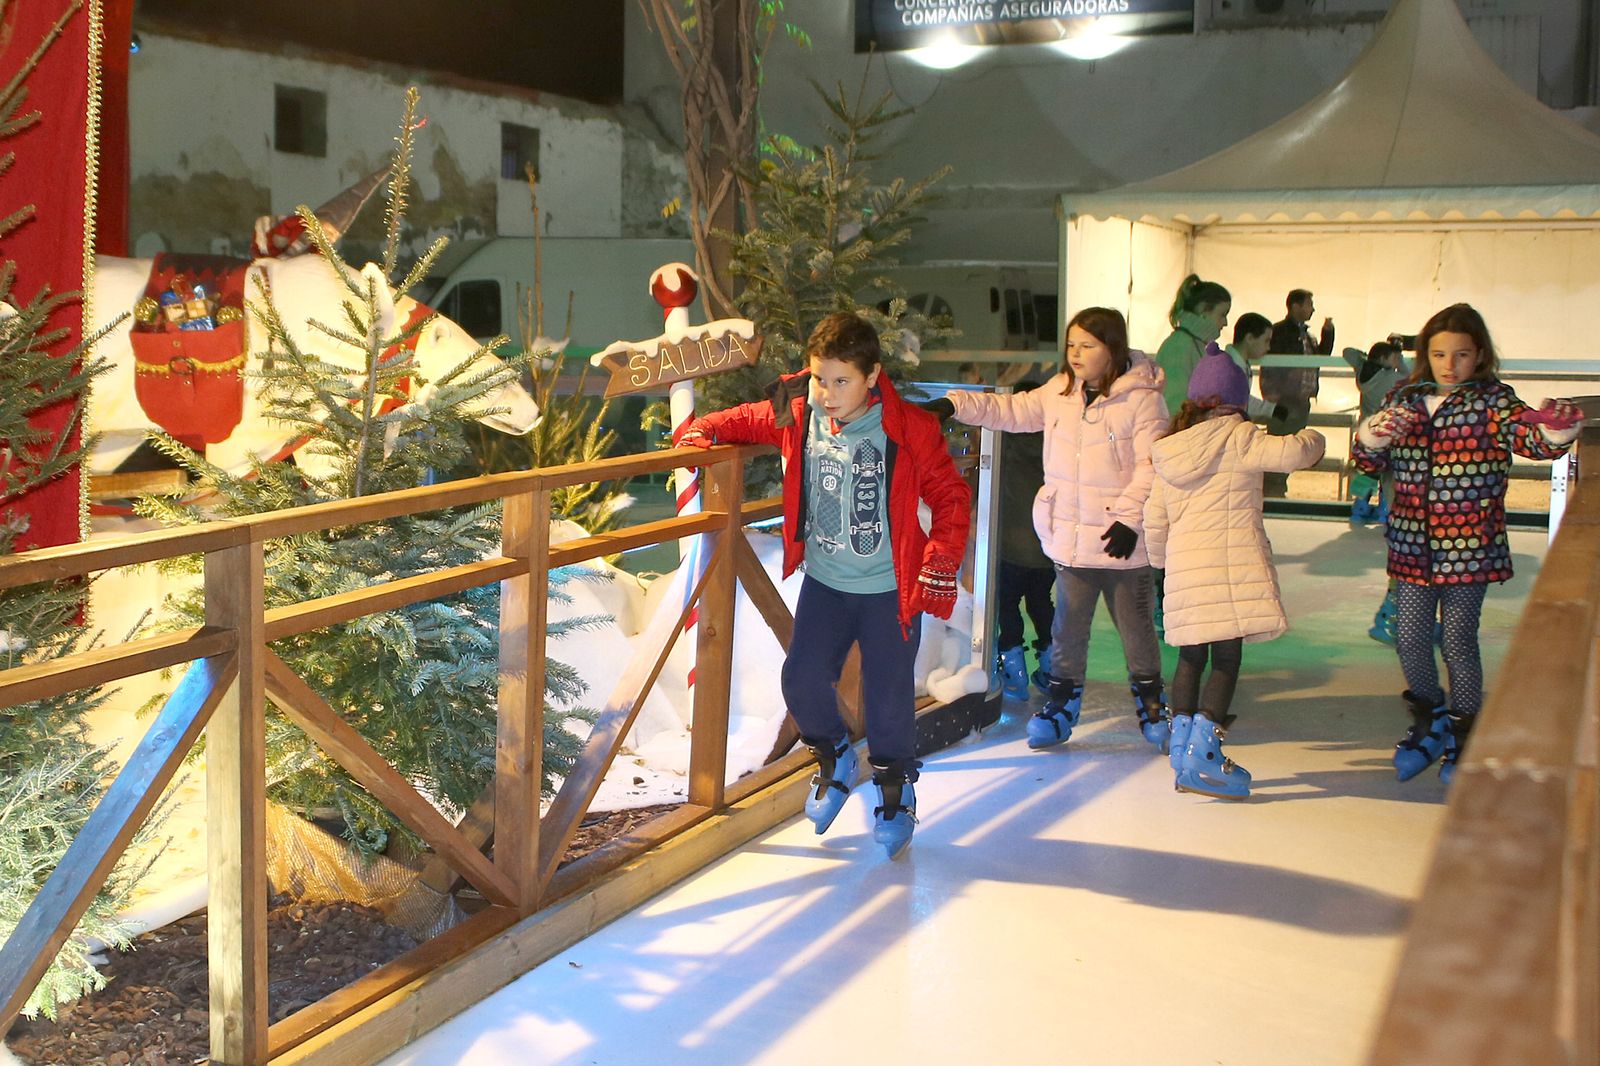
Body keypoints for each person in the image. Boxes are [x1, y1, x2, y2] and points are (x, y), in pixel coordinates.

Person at [676, 311, 971, 858]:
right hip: (827, 584)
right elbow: (746, 418)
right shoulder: (797, 413)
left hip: (889, 589)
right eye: (818, 377)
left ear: (872, 375)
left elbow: (952, 498)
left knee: (888, 699)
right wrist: (706, 429)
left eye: (841, 381)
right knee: (803, 680)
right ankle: (834, 755)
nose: (827, 393)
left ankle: (894, 790)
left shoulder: (909, 429)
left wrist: (941, 558)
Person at [1350, 304, 1581, 785]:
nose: (1449, 364)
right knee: (1410, 638)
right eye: (1438, 354)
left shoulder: (1494, 401)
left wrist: (1555, 433)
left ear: (1479, 356)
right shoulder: (1405, 398)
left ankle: (1464, 731)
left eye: (1461, 354)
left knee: (1458, 641)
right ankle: (1430, 717)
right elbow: (1368, 467)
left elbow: (1532, 439)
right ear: (1424, 355)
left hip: (1469, 548)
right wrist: (1369, 440)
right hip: (1412, 547)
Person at [924, 307, 1172, 754]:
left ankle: (1152, 703)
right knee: (1066, 630)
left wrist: (1130, 519)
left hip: (1120, 541)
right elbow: (1013, 409)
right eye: (1071, 345)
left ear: (1111, 348)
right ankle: (1059, 705)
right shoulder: (1060, 391)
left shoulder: (1142, 398)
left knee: (1136, 630)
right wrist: (955, 404)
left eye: (1087, 346)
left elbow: (1152, 464)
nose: (1076, 355)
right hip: (1072, 539)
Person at [1144, 350, 1325, 799]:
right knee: (1225, 659)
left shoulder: (1171, 449)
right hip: (1230, 570)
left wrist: (1161, 564)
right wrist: (1315, 438)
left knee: (1190, 659)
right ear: (1237, 399)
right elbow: (1292, 453)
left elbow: (1154, 517)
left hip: (1185, 573)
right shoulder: (1242, 436)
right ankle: (1204, 754)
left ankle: (1182, 747)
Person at [992, 380, 1055, 701]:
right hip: (1045, 550)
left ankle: (1013, 667)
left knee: (1006, 605)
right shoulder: (1053, 444)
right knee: (1041, 602)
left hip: (1009, 549)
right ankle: (1051, 662)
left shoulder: (1006, 443)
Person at [1262, 289, 1335, 496]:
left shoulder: (1307, 335)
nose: (1313, 309)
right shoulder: (1280, 332)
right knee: (1279, 444)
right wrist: (1272, 391)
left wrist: (1328, 334)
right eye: (1309, 304)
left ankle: (1276, 487)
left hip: (1301, 398)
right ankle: (1272, 488)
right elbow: (1271, 364)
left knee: (1291, 445)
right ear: (1295, 306)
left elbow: (1320, 357)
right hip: (1285, 398)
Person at [1343, 340, 1406, 527]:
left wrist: (1364, 359)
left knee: (1366, 470)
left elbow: (1348, 351)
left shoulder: (1362, 370)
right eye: (1392, 358)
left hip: (1365, 431)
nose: (1395, 361)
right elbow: (1409, 377)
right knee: (1388, 472)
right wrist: (1400, 361)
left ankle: (1359, 508)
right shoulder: (1389, 378)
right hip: (1385, 431)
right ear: (1383, 358)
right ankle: (1385, 510)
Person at [1155, 274, 1231, 418]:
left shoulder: (1197, 345)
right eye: (1222, 314)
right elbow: (1175, 404)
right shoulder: (1178, 347)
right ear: (1203, 311)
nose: (1226, 322)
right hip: (1182, 435)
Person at [1224, 312, 1287, 424]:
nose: (1268, 347)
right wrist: (1271, 410)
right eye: (1266, 341)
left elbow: (1243, 400)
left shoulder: (1241, 365)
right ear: (1249, 338)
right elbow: (1239, 402)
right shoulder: (1229, 367)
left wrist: (1271, 409)